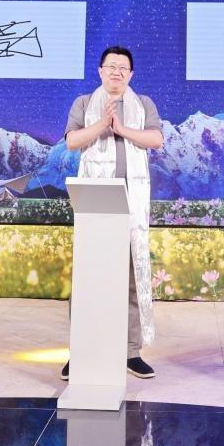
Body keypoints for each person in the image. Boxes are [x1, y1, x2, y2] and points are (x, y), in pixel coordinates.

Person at [61, 46, 164, 380]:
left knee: (132, 277)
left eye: (123, 67)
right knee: (88, 278)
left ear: (131, 74)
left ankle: (131, 351)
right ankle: (81, 350)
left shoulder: (143, 104)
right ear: (100, 71)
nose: (117, 71)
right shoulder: (83, 103)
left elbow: (156, 139)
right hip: (96, 203)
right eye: (111, 66)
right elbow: (73, 141)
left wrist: (121, 129)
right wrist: (102, 124)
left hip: (132, 205)